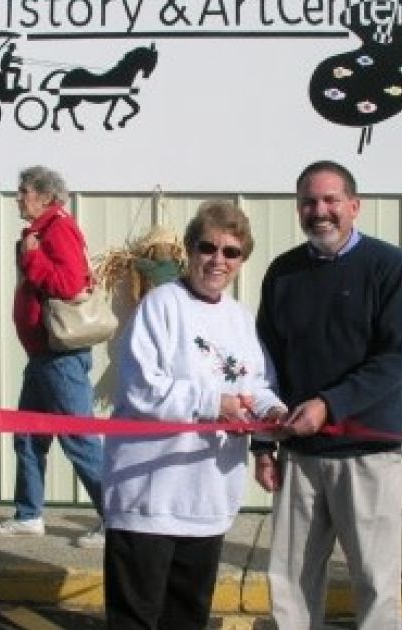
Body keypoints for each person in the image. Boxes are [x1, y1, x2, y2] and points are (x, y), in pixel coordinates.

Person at [253, 160, 402, 629]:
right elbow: (266, 366)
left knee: (374, 581)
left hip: (367, 454)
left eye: (330, 200)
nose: (319, 211)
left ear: (355, 205)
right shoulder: (283, 273)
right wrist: (264, 443)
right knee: (290, 582)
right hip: (299, 456)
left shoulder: (391, 268)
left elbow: (392, 360)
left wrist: (329, 404)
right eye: (309, 201)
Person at [102, 202, 286, 629]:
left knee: (187, 619)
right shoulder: (161, 306)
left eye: (231, 252)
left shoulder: (241, 319)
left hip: (207, 499)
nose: (218, 260)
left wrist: (272, 412)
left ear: (242, 260)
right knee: (136, 619)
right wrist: (212, 403)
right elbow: (140, 388)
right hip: (148, 497)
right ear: (189, 249)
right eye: (208, 247)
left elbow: (256, 385)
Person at [0, 165, 106, 549]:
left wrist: (34, 260)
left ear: (44, 195)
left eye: (24, 191)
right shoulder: (43, 230)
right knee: (28, 437)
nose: (18, 197)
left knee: (79, 438)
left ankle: (117, 519)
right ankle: (29, 515)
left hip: (60, 357)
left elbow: (70, 284)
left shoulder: (58, 229)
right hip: (43, 356)